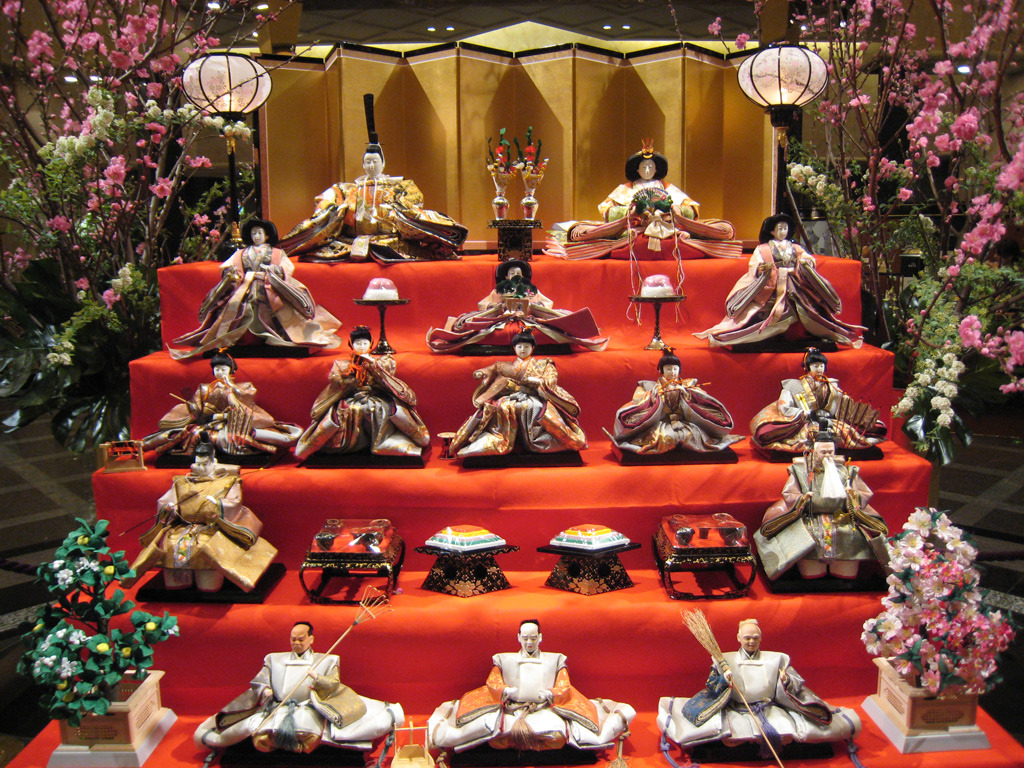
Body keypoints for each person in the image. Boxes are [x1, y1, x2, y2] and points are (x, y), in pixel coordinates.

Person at [279, 94, 468, 263]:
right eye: (367, 162)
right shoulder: (347, 189)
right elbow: (326, 200)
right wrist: (340, 210)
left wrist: (395, 208)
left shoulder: (400, 186)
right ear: (362, 164)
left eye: (375, 161)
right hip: (350, 242)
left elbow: (414, 203)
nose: (371, 166)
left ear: (383, 163)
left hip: (390, 241)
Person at [658, 619, 860, 757]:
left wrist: (786, 680)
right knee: (731, 736)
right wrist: (724, 680)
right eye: (747, 637)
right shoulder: (724, 660)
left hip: (768, 708)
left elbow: (797, 681)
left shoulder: (777, 658)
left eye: (755, 637)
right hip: (737, 709)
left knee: (789, 732)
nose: (751, 641)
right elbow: (711, 685)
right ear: (738, 638)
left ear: (761, 638)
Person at [194, 621, 404, 754]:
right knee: (260, 734)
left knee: (309, 733)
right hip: (278, 706)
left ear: (311, 639)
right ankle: (274, 742)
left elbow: (334, 684)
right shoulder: (274, 659)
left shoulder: (327, 660)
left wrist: (317, 678)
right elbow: (259, 680)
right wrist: (265, 690)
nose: (296, 643)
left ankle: (298, 745)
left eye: (301, 639)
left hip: (308, 707)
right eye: (293, 639)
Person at [428, 619, 635, 753]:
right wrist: (504, 690)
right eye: (525, 638)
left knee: (558, 737)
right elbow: (493, 681)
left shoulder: (555, 659)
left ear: (540, 638)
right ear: (518, 637)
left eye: (533, 638)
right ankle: (518, 744)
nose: (529, 643)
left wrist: (551, 694)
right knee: (494, 737)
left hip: (544, 709)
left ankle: (535, 746)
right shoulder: (504, 659)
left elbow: (564, 684)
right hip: (512, 710)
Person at [169, 218, 342, 360]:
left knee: (274, 312)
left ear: (267, 235)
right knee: (237, 309)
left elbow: (286, 268)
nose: (256, 236)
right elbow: (228, 266)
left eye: (259, 233)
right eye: (253, 233)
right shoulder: (241, 253)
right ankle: (242, 339)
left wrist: (273, 271)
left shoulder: (276, 253)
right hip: (245, 287)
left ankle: (274, 338)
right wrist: (232, 274)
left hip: (268, 287)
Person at [123, 436, 276, 592]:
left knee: (205, 546)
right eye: (198, 463)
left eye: (205, 464)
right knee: (170, 543)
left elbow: (234, 501)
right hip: (184, 526)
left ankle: (209, 582)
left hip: (212, 527)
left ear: (213, 462)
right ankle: (179, 582)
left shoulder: (228, 481)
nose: (201, 467)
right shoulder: (182, 482)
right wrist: (169, 508)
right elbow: (167, 501)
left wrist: (218, 504)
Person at [546, 140, 741, 262]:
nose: (647, 170)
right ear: (636, 169)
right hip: (634, 229)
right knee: (582, 232)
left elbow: (691, 208)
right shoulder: (626, 188)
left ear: (657, 169)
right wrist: (632, 213)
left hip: (668, 229)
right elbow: (607, 210)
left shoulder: (668, 188)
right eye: (643, 166)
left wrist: (673, 210)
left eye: (651, 166)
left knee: (722, 229)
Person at [695, 213, 865, 348]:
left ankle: (810, 332)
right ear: (771, 231)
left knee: (808, 307)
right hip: (772, 286)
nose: (783, 231)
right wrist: (763, 269)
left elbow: (807, 258)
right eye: (779, 228)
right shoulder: (763, 249)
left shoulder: (795, 247)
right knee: (765, 310)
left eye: (785, 228)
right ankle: (757, 334)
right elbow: (755, 264)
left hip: (795, 284)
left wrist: (806, 263)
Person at [754, 424, 889, 580]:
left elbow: (864, 492)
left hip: (842, 517)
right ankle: (812, 571)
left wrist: (852, 495)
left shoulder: (848, 471)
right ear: (814, 451)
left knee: (851, 534)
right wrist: (803, 498)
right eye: (823, 452)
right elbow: (790, 493)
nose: (827, 455)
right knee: (808, 536)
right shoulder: (800, 470)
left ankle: (843, 571)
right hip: (811, 517)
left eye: (830, 452)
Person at [294, 326, 430, 459]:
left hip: (375, 397)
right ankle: (350, 445)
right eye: (358, 343)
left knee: (377, 409)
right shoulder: (342, 364)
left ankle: (382, 442)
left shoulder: (382, 361)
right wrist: (349, 380)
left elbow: (387, 378)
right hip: (352, 397)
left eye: (365, 343)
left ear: (371, 344)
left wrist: (374, 366)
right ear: (351, 344)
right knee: (348, 410)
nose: (362, 346)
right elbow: (335, 380)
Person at [448, 330, 587, 457]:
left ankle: (537, 441)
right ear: (514, 348)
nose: (523, 349)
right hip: (509, 397)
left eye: (526, 346)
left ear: (533, 348)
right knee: (502, 407)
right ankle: (501, 440)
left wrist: (536, 381)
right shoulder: (503, 366)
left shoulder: (543, 364)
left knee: (535, 407)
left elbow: (551, 379)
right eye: (519, 346)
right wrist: (481, 373)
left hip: (533, 396)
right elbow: (490, 370)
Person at [143, 350, 302, 458]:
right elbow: (199, 408)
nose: (219, 372)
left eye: (223, 369)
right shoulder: (205, 388)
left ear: (231, 370)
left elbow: (246, 402)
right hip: (211, 422)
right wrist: (195, 408)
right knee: (191, 434)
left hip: (235, 421)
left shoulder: (243, 387)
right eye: (216, 369)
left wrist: (231, 389)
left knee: (241, 437)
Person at [426, 259, 608, 353]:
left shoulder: (530, 290)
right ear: (506, 277)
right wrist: (498, 307)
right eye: (512, 273)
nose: (515, 276)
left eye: (518, 273)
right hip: (502, 320)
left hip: (528, 319)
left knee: (547, 330)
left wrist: (533, 305)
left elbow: (547, 303)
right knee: (478, 329)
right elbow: (483, 305)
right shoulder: (499, 290)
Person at [749, 348, 886, 454]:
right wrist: (804, 414)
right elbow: (784, 406)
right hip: (806, 421)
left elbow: (841, 403)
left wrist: (847, 408)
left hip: (829, 419)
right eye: (815, 366)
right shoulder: (794, 386)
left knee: (846, 432)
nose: (819, 369)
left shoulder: (831, 385)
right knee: (808, 437)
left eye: (821, 366)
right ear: (807, 367)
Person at [609, 349, 743, 455]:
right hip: (662, 422)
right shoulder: (651, 387)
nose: (672, 372)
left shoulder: (688, 385)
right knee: (665, 437)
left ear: (679, 370)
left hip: (684, 422)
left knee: (691, 436)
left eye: (675, 369)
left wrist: (688, 394)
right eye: (668, 369)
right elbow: (638, 400)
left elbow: (702, 399)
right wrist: (653, 397)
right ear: (661, 370)